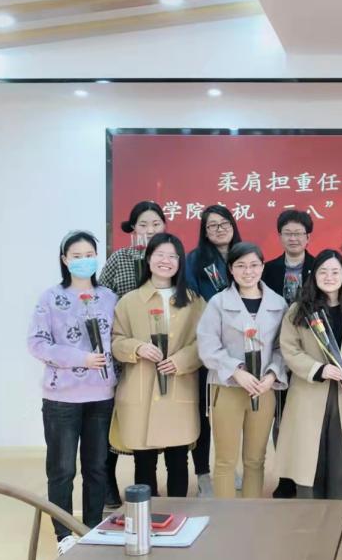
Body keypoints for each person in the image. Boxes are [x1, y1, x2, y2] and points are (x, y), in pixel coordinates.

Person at [27, 231, 116, 554]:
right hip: (61, 399)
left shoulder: (109, 297)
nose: (84, 261)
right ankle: (64, 534)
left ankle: (91, 528)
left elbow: (118, 339)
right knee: (62, 469)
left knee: (97, 467)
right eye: (77, 256)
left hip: (101, 397)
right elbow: (37, 343)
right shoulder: (50, 298)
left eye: (89, 254)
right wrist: (81, 358)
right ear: (65, 260)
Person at [111, 233, 204, 499]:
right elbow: (116, 341)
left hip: (179, 390)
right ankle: (146, 516)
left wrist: (181, 360)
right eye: (160, 255)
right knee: (144, 462)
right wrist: (136, 348)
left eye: (172, 256)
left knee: (178, 461)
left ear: (180, 262)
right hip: (141, 391)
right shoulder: (129, 301)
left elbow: (205, 342)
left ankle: (178, 515)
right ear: (149, 258)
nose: (166, 261)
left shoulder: (194, 301)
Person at [197, 242, 288, 498]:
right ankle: (227, 516)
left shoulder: (278, 303)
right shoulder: (218, 303)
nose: (248, 271)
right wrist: (236, 371)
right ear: (231, 269)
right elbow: (207, 345)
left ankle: (251, 513)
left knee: (255, 459)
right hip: (227, 387)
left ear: (262, 267)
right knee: (225, 460)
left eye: (254, 265)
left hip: (264, 390)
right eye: (241, 266)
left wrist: (271, 375)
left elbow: (284, 347)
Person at [276, 249, 342, 499]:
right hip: (308, 393)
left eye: (335, 271)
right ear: (313, 276)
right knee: (309, 461)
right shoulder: (298, 311)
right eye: (323, 271)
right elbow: (289, 349)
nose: (329, 277)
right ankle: (311, 516)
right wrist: (319, 369)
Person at [98, 200, 167, 509]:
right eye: (143, 224)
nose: (150, 230)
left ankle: (147, 486)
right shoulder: (120, 259)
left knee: (148, 421)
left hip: (159, 354)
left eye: (156, 224)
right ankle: (107, 485)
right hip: (122, 351)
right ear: (133, 229)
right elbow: (101, 299)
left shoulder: (169, 257)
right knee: (112, 419)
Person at [183, 204, 243, 496]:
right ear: (204, 231)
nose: (219, 229)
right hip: (208, 346)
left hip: (239, 347)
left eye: (224, 223)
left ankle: (229, 466)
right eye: (212, 225)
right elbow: (191, 303)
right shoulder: (195, 260)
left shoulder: (243, 254)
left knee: (232, 412)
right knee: (205, 412)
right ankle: (203, 473)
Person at [262, 208, 316, 498]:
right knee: (280, 417)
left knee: (306, 417)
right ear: (280, 236)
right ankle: (285, 476)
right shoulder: (267, 269)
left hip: (310, 352)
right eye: (288, 233)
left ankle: (308, 472)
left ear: (308, 237)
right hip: (275, 351)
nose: (293, 238)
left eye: (299, 233)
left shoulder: (320, 266)